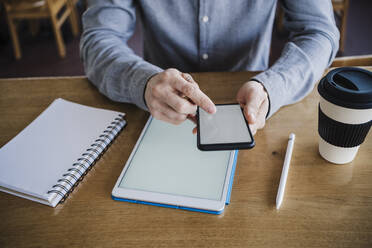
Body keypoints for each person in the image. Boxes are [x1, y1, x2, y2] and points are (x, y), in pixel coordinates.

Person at [80, 0, 339, 135]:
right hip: (156, 109)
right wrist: (143, 82)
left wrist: (273, 86)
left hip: (253, 107)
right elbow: (99, 37)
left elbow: (319, 31)